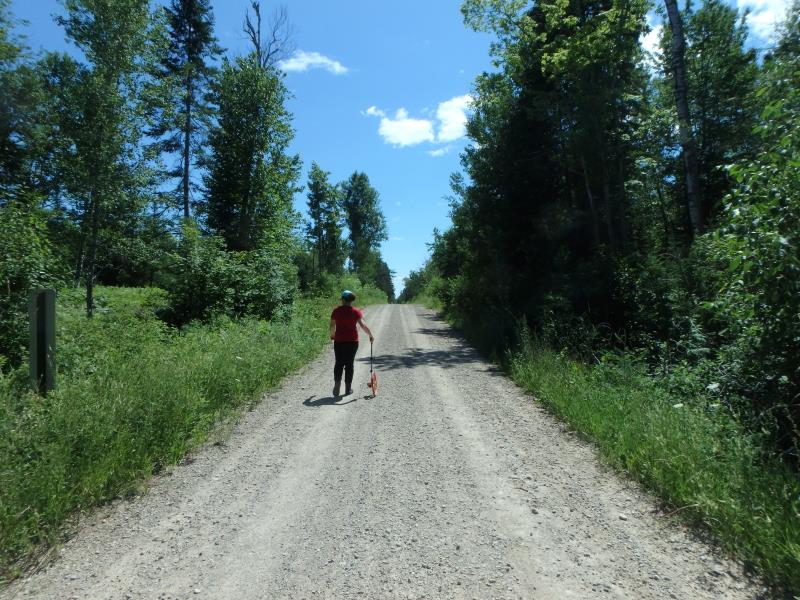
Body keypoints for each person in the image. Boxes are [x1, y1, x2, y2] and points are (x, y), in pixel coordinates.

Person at [330, 290, 374, 397]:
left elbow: (332, 325)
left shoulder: (336, 311)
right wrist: (370, 335)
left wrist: (332, 335)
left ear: (343, 300)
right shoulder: (355, 311)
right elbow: (363, 325)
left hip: (339, 341)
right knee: (349, 364)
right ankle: (348, 388)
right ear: (351, 301)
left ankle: (337, 383)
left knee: (339, 363)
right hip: (352, 342)